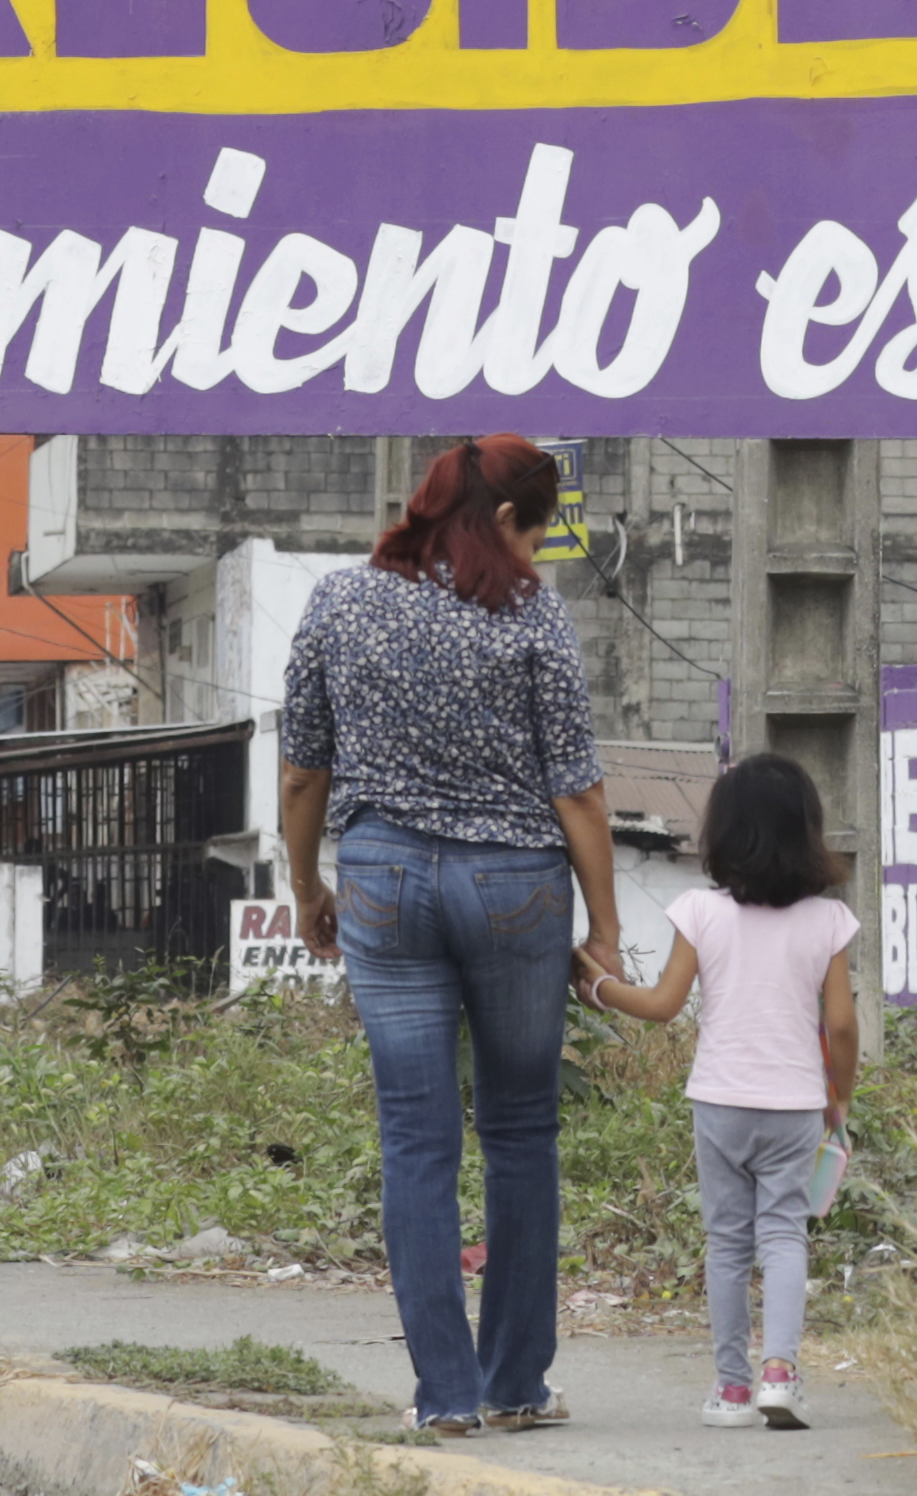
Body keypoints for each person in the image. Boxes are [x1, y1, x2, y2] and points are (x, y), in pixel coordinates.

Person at [278, 436, 620, 1442]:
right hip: (516, 884)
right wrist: (602, 926)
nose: (540, 549)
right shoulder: (532, 615)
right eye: (537, 527)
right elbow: (578, 790)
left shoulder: (340, 601)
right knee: (520, 1130)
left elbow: (304, 771)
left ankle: (446, 1395)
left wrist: (307, 887)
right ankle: (516, 1379)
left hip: (383, 881)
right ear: (507, 521)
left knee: (416, 1142)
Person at [581, 753, 861, 1431]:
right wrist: (839, 1095)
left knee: (728, 1241)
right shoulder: (829, 920)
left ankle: (731, 1388)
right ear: (807, 834)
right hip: (796, 1103)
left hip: (720, 1102)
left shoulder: (700, 911)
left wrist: (594, 984)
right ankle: (780, 1375)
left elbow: (662, 1004)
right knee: (785, 1234)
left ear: (723, 835)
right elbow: (843, 1023)